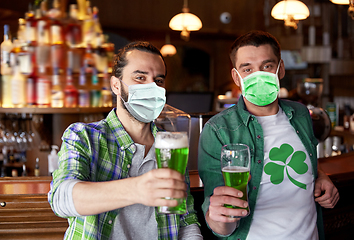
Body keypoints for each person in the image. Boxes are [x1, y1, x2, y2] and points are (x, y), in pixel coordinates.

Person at [48, 41, 202, 240]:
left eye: (159, 81)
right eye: (140, 77)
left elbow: (186, 219)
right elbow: (61, 199)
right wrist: (137, 189)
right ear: (116, 85)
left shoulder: (171, 144)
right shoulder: (84, 135)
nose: (152, 87)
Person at [198, 30, 339, 240]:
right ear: (236, 77)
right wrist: (218, 218)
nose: (258, 75)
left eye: (267, 66)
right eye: (247, 69)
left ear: (280, 69)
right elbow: (219, 218)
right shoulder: (218, 130)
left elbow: (303, 159)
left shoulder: (300, 113)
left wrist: (320, 175)